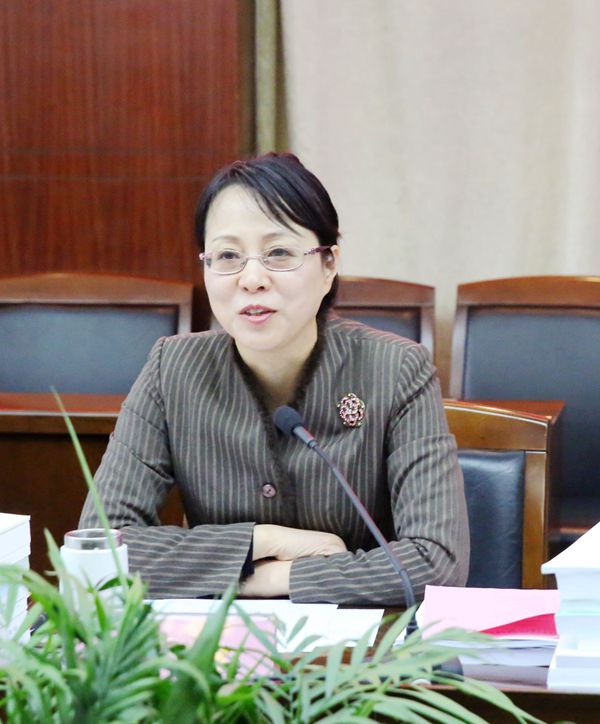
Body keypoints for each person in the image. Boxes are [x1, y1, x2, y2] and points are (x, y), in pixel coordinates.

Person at [80, 152, 469, 605]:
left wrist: (271, 579)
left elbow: (437, 562)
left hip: (365, 645)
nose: (251, 279)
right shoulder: (172, 369)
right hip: (217, 645)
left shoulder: (397, 369)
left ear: (329, 264)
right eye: (228, 256)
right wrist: (262, 542)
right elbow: (98, 548)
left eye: (279, 253)